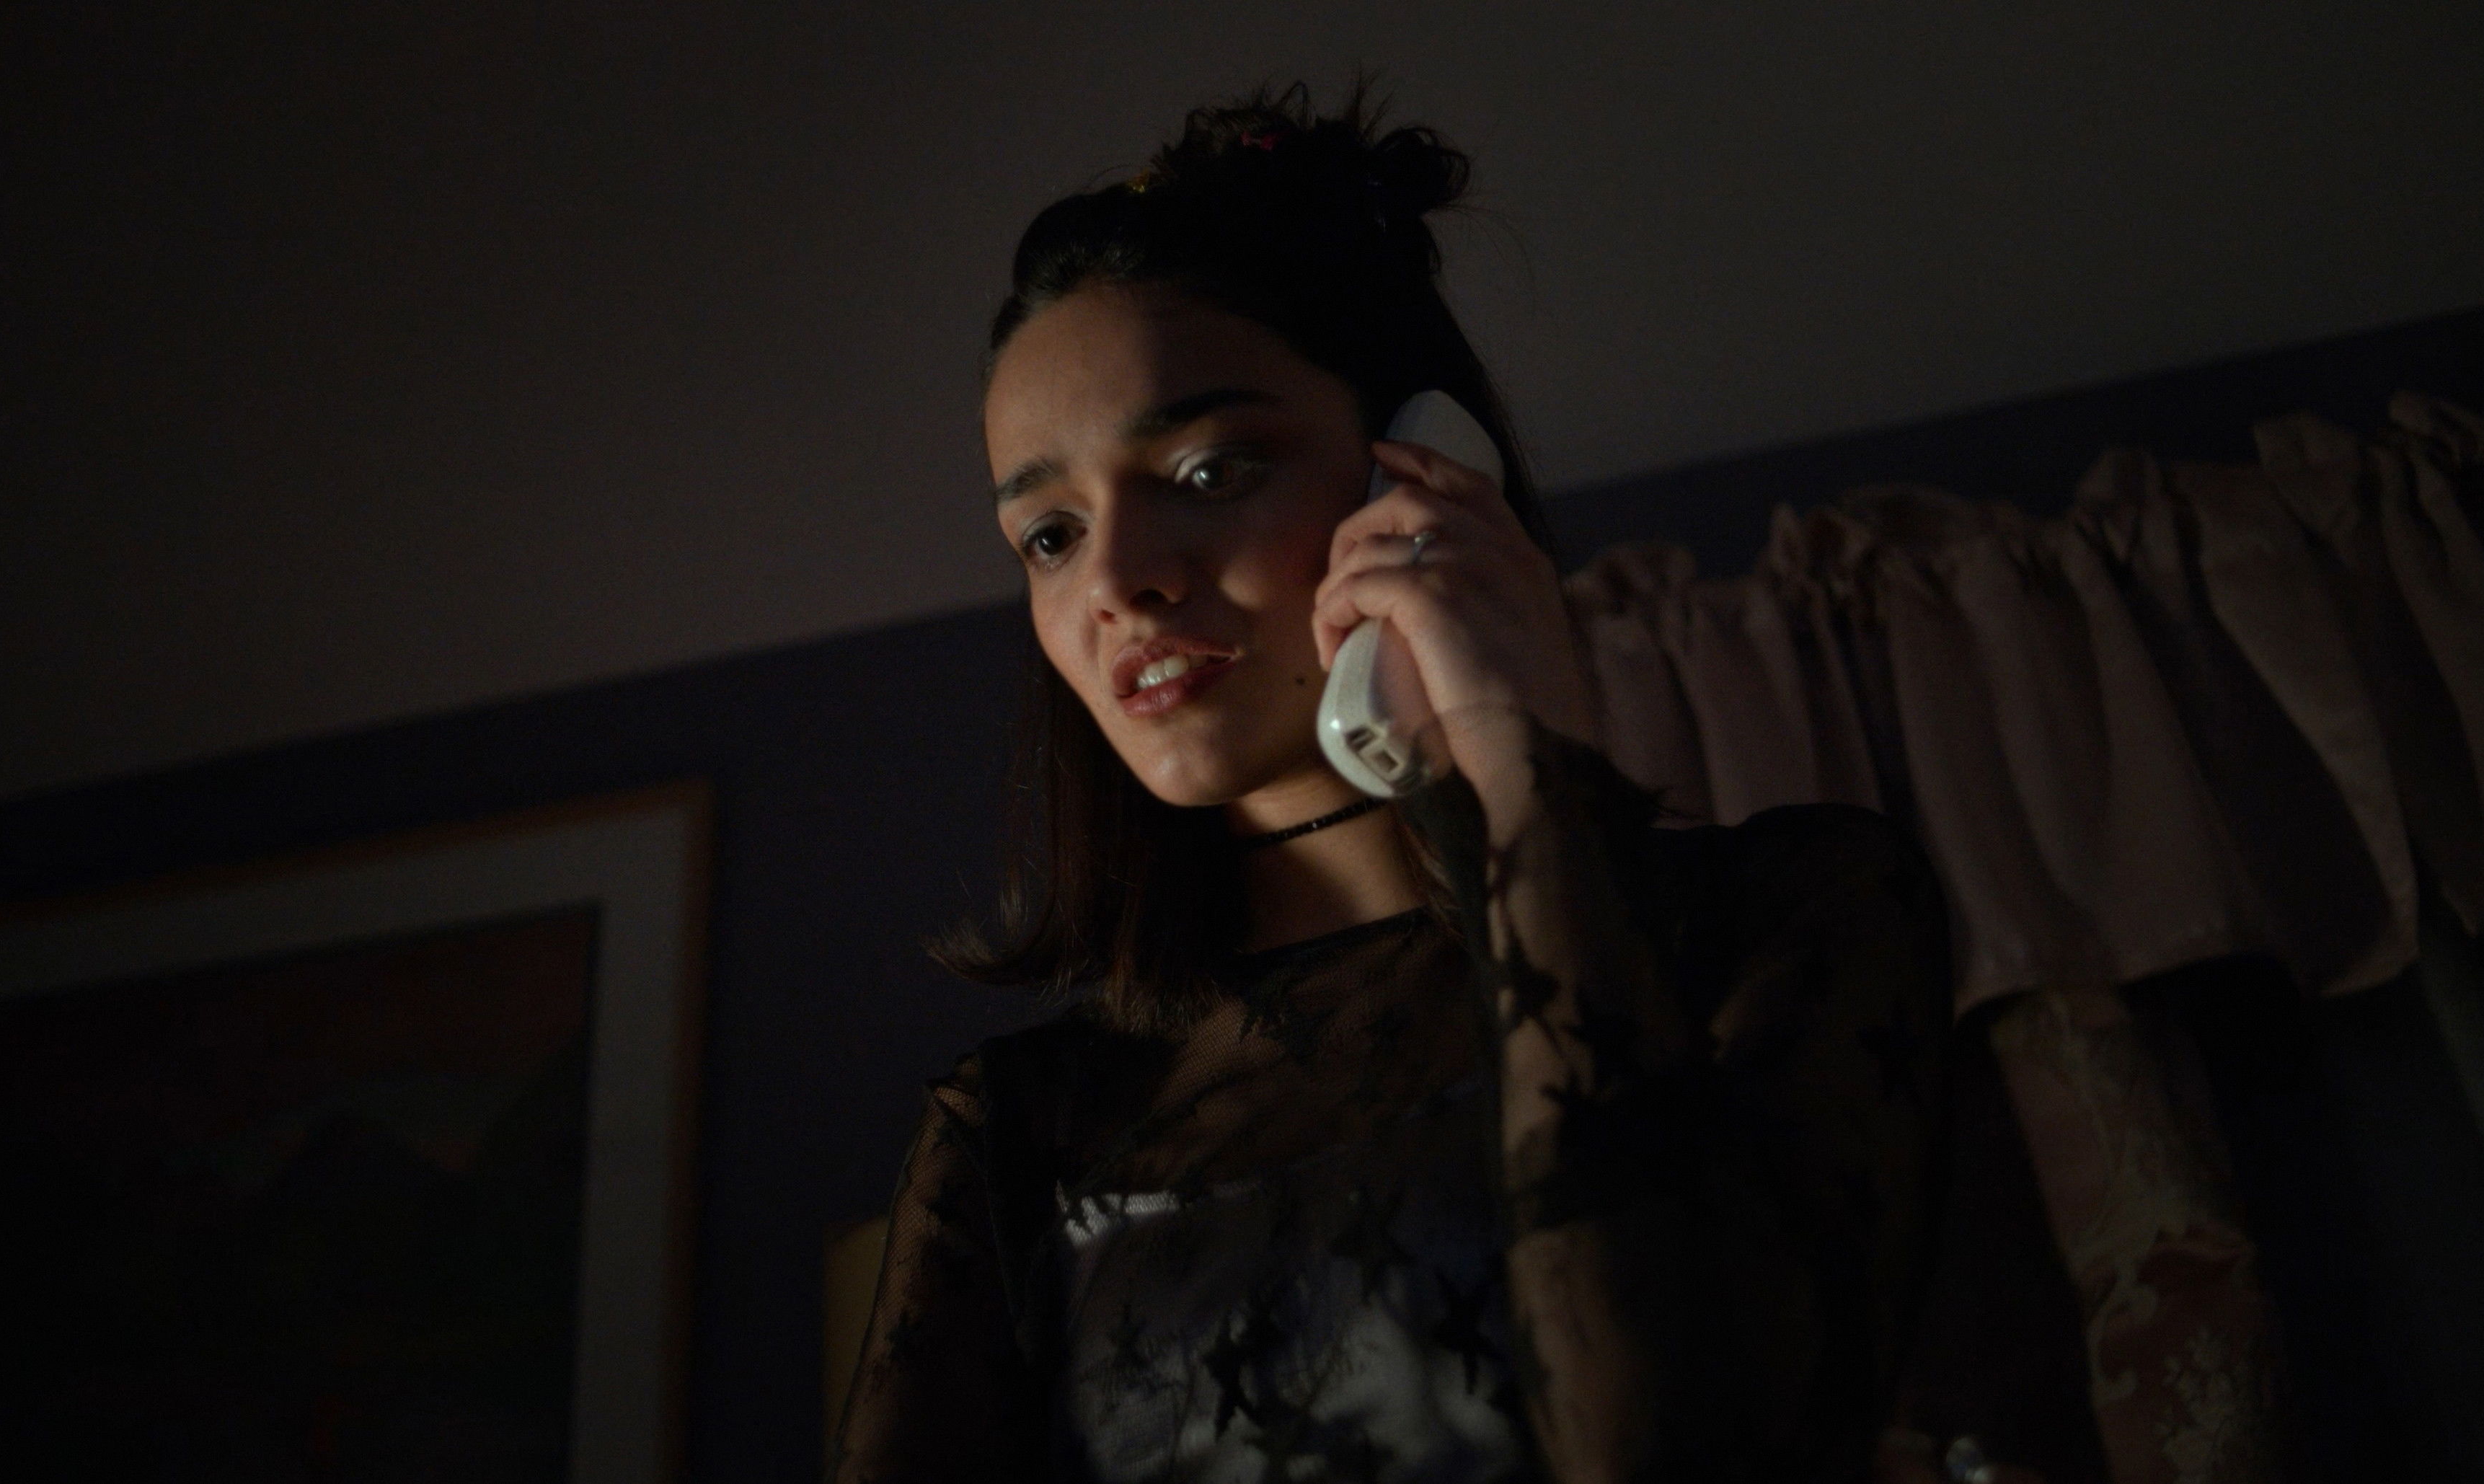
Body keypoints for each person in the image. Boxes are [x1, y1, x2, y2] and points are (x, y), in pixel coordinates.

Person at [831, 84, 1961, 1484]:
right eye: (1049, 534)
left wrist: (1517, 760)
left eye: (1207, 468)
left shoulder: (1789, 916)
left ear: (1421, 473)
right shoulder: (1014, 1130)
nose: (1117, 578)